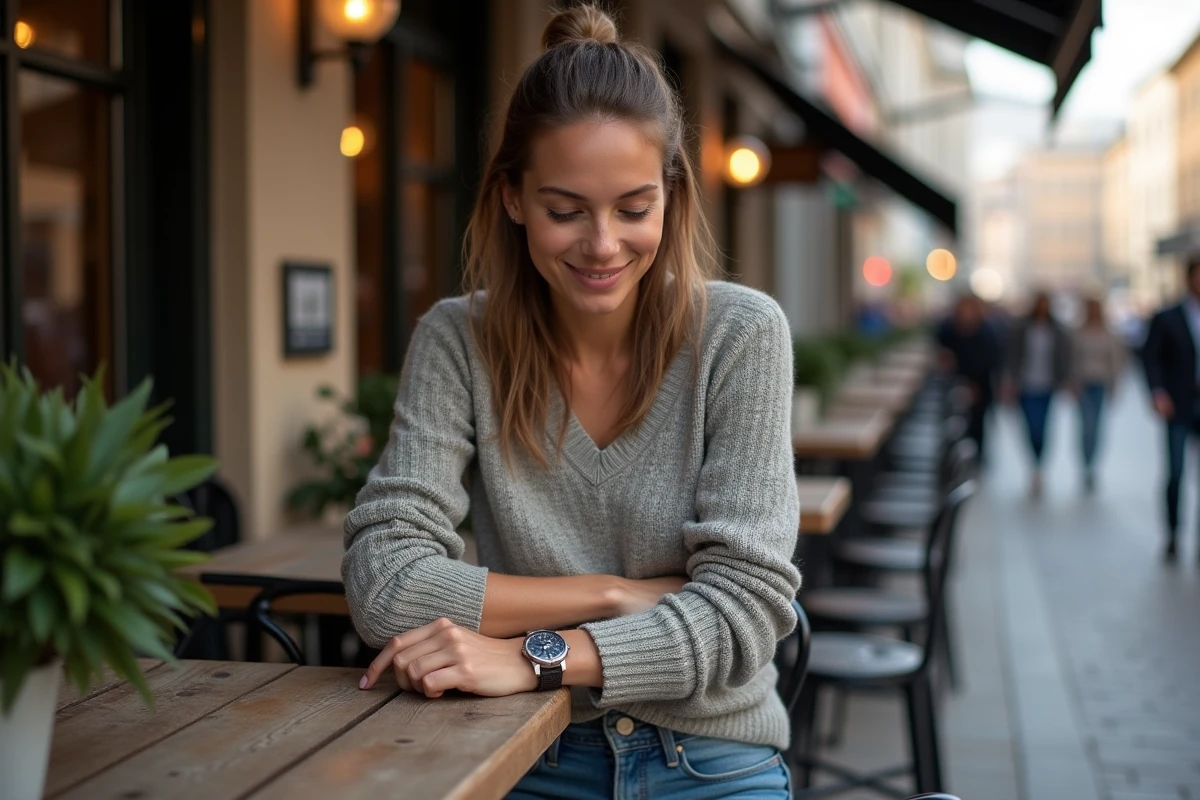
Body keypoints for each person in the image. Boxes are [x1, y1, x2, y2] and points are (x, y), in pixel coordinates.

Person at [342, 7, 801, 799]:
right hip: (523, 752)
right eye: (565, 211)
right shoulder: (458, 340)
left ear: (671, 195)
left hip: (709, 758)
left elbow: (744, 615)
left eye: (633, 208)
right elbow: (385, 584)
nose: (602, 244)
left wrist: (535, 655)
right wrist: (616, 594)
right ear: (513, 197)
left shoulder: (740, 335)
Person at [1142, 255, 1200, 562]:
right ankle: (1173, 533)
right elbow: (1151, 358)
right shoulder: (1168, 317)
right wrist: (1158, 392)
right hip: (1178, 403)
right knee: (1176, 472)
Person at [1003, 291, 1071, 497]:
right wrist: (1009, 381)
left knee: (1043, 427)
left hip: (1047, 386)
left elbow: (1063, 357)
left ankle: (1039, 464)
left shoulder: (1057, 330)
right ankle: (1033, 460)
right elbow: (1012, 356)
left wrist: (1065, 379)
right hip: (1026, 385)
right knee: (1030, 426)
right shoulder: (1022, 328)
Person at [936, 293, 1003, 463]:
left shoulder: (986, 333)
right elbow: (940, 346)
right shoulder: (949, 328)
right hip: (954, 384)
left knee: (977, 424)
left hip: (979, 386)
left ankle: (976, 458)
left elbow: (991, 360)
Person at [1069, 296, 1126, 493]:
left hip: (1100, 384)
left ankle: (1092, 464)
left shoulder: (1108, 333)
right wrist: (1072, 382)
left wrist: (1114, 385)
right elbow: (1073, 359)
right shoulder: (1079, 333)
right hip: (1083, 384)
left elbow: (1116, 361)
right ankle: (1085, 463)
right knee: (1087, 426)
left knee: (1097, 427)